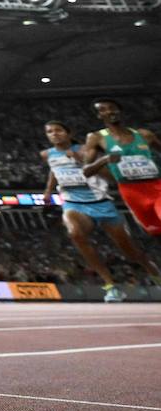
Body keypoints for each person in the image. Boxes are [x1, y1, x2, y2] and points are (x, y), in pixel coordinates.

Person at [42, 120, 160, 301]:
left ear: (69, 133)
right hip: (74, 203)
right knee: (75, 233)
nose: (54, 134)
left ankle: (153, 272)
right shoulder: (47, 154)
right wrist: (49, 190)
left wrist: (82, 161)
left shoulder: (88, 148)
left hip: (102, 202)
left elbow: (111, 176)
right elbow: (53, 170)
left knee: (131, 252)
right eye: (50, 132)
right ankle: (110, 286)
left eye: (58, 130)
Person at [81, 99, 161, 238]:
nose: (109, 111)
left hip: (156, 186)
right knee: (155, 232)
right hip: (131, 191)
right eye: (103, 109)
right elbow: (86, 171)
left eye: (112, 108)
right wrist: (104, 160)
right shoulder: (97, 138)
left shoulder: (144, 135)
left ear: (120, 111)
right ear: (99, 116)